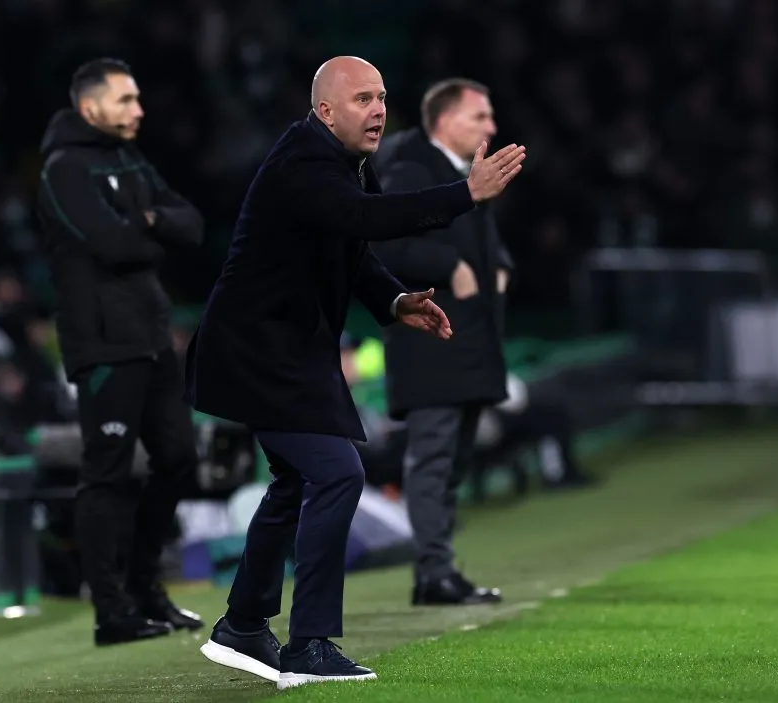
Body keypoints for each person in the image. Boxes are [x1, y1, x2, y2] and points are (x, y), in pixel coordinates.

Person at [185, 56, 525, 689]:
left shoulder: (339, 162)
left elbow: (354, 248)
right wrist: (463, 195)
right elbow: (364, 221)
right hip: (260, 352)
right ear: (325, 112)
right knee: (338, 473)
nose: (378, 111)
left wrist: (395, 301)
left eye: (382, 98)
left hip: (287, 351)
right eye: (363, 100)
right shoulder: (303, 165)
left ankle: (242, 625)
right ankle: (308, 644)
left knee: (295, 483)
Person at [35, 58, 205, 646]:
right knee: (106, 472)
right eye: (127, 100)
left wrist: (148, 220)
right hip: (102, 340)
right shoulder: (63, 170)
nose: (139, 110)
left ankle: (145, 588)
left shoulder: (130, 159)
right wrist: (151, 231)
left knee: (180, 458)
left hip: (152, 334)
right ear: (91, 109)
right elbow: (112, 246)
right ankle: (112, 611)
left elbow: (192, 226)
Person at [371, 78, 515, 607]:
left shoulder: (459, 173)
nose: (490, 127)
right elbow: (384, 243)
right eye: (480, 117)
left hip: (469, 341)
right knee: (433, 461)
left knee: (451, 463)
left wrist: (498, 265)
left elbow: (485, 240)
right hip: (430, 342)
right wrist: (447, 265)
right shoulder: (411, 170)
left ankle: (438, 570)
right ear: (445, 121)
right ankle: (434, 574)